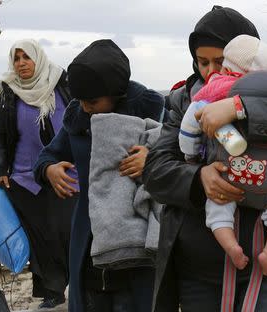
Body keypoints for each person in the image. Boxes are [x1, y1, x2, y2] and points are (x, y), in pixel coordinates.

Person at [142, 6, 267, 312]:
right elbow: (157, 171)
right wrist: (199, 179)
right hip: (201, 269)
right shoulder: (185, 100)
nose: (211, 71)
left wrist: (240, 108)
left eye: (221, 61)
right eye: (202, 61)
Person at [33, 39, 165, 312]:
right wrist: (50, 170)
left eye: (92, 100)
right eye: (79, 100)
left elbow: (181, 157)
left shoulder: (151, 113)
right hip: (89, 245)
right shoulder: (77, 121)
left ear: (116, 92)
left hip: (138, 250)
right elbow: (46, 157)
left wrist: (152, 159)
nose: (85, 107)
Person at [179, 35, 267, 275]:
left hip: (227, 176)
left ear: (227, 65)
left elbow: (189, 127)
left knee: (217, 212)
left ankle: (231, 246)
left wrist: (191, 157)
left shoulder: (214, 90)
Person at [0, 39, 76, 309]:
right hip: (24, 178)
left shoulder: (61, 84)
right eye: (16, 58)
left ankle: (80, 285)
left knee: (67, 232)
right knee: (39, 238)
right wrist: (0, 169)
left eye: (26, 57)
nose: (21, 63)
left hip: (65, 173)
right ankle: (51, 291)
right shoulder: (8, 91)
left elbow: (81, 119)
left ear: (38, 59)